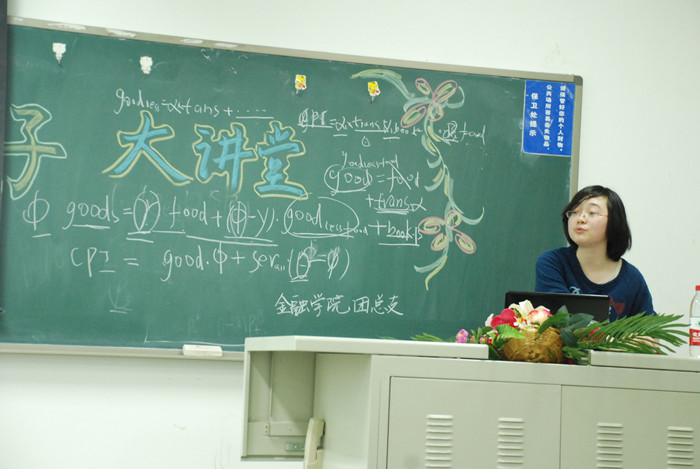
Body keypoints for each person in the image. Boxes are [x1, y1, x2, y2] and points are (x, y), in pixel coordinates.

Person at [535, 185, 655, 320]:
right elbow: (562, 320)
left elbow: (650, 326)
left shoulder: (632, 278)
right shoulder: (553, 262)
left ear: (614, 221)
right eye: (574, 212)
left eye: (592, 212)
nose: (580, 218)